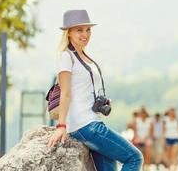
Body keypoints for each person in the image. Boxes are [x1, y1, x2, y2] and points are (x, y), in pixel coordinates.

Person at [47, 10, 143, 171]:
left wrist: (101, 101)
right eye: (79, 30)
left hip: (91, 120)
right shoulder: (66, 56)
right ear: (68, 32)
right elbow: (66, 92)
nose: (85, 34)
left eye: (88, 30)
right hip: (85, 125)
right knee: (134, 158)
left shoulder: (85, 56)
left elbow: (82, 89)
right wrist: (61, 126)